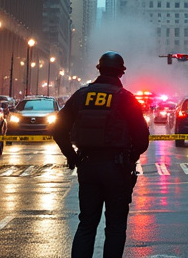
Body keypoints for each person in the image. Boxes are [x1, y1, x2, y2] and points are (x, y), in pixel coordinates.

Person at [52, 51, 150, 258]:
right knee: (115, 227)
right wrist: (130, 157)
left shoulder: (81, 95)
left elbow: (58, 129)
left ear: (99, 69)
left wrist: (72, 156)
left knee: (87, 224)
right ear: (121, 73)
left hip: (87, 166)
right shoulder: (125, 98)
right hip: (117, 168)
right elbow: (142, 137)